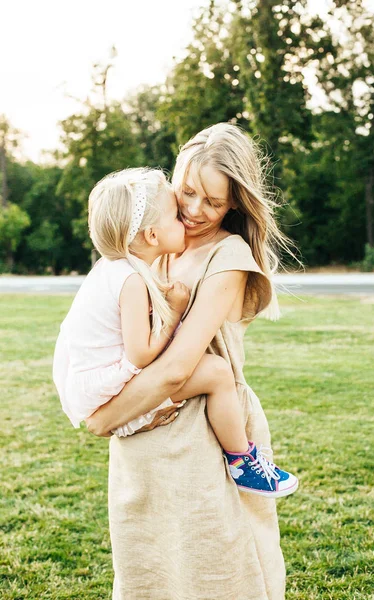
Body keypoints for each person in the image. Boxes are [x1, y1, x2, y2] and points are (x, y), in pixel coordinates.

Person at [86, 123, 292, 600]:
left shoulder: (230, 254)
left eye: (215, 203)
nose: (197, 211)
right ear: (171, 178)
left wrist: (107, 416)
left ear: (236, 204)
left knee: (216, 566)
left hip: (204, 434)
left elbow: (179, 366)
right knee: (150, 567)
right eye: (189, 192)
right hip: (145, 434)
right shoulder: (150, 244)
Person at [53, 167, 297, 498]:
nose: (188, 217)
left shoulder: (114, 268)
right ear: (152, 236)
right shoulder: (133, 280)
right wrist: (177, 312)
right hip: (106, 384)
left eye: (211, 201)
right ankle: (243, 460)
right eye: (176, 215)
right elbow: (141, 354)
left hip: (92, 379)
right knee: (217, 372)